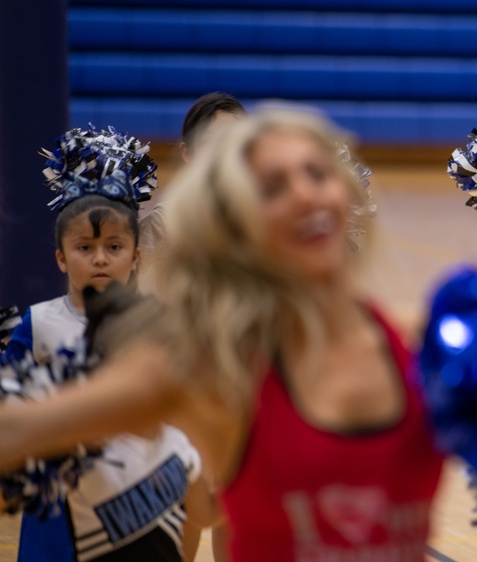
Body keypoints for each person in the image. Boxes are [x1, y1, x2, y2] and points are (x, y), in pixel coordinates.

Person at [0, 107, 444, 562]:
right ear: (234, 225)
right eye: (273, 187)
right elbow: (20, 430)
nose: (306, 195)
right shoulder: (204, 365)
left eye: (317, 172)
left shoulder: (421, 343)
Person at [2, 164, 212, 561]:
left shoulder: (158, 326)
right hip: (55, 520)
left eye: (113, 248)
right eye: (85, 248)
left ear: (136, 256)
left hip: (139, 503)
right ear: (61, 258)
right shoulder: (38, 322)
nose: (100, 259)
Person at [138, 92, 247, 292]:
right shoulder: (164, 222)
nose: (222, 152)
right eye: (210, 143)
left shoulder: (268, 218)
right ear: (186, 153)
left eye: (232, 141)